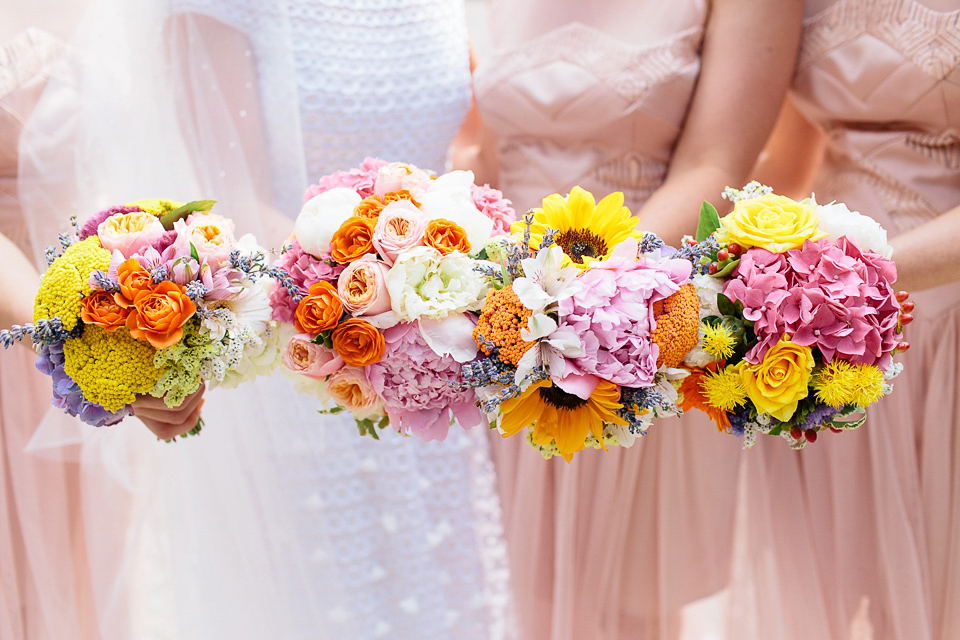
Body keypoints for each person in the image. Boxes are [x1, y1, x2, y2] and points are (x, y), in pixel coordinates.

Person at [15, 1, 512, 638]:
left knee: (447, 593)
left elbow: (463, 146)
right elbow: (236, 195)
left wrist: (462, 288)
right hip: (302, 341)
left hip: (438, 349)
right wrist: (383, 302)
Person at [464, 0, 803, 638]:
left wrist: (585, 299)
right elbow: (488, 151)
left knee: (626, 602)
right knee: (512, 584)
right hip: (501, 324)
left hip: (639, 319)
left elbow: (716, 165)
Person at [728, 0, 960, 637]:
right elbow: (788, 155)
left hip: (937, 307)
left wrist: (846, 280)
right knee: (826, 581)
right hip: (819, 333)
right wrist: (725, 267)